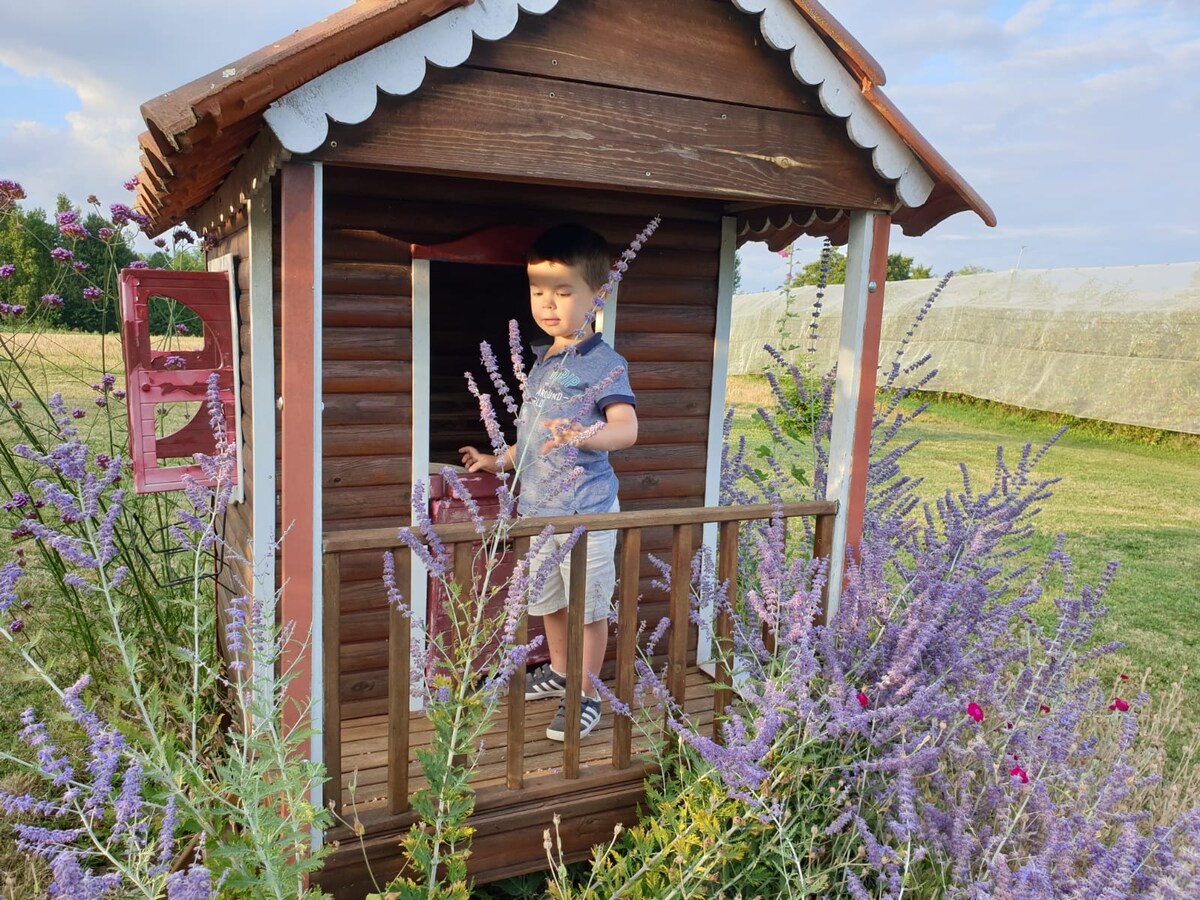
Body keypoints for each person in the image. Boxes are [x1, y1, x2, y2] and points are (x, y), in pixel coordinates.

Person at [459, 223, 638, 741]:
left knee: (586, 608)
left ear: (598, 296)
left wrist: (584, 433)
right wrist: (497, 460)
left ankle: (586, 693)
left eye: (563, 292)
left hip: (586, 512)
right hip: (539, 511)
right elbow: (535, 439)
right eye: (539, 291)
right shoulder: (542, 362)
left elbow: (627, 429)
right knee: (550, 602)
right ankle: (560, 671)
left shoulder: (604, 364)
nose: (548, 304)